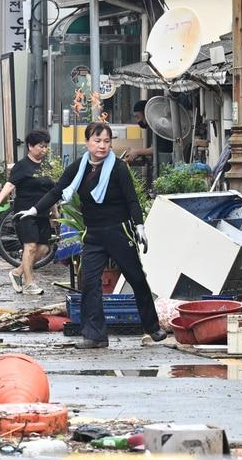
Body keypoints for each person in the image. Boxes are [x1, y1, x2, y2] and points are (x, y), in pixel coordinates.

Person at [23, 121, 166, 349]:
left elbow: (132, 199)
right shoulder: (80, 167)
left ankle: (153, 327)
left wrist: (140, 226)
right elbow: (57, 191)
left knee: (136, 278)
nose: (102, 146)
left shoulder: (118, 168)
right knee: (89, 283)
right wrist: (34, 210)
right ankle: (95, 336)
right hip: (93, 234)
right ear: (87, 142)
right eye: (97, 141)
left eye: (107, 141)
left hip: (119, 231)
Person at [0, 129, 54, 296]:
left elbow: (52, 192)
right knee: (30, 246)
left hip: (43, 213)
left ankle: (17, 272)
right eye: (41, 146)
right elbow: (10, 185)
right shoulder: (22, 166)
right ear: (30, 146)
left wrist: (55, 212)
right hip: (24, 212)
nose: (44, 150)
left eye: (46, 147)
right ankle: (29, 283)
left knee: (44, 249)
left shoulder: (47, 166)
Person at [124, 99, 174, 168]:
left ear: (146, 114)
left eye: (138, 117)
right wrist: (136, 153)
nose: (137, 121)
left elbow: (156, 149)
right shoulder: (153, 127)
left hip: (166, 163)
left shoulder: (160, 126)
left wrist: (136, 152)